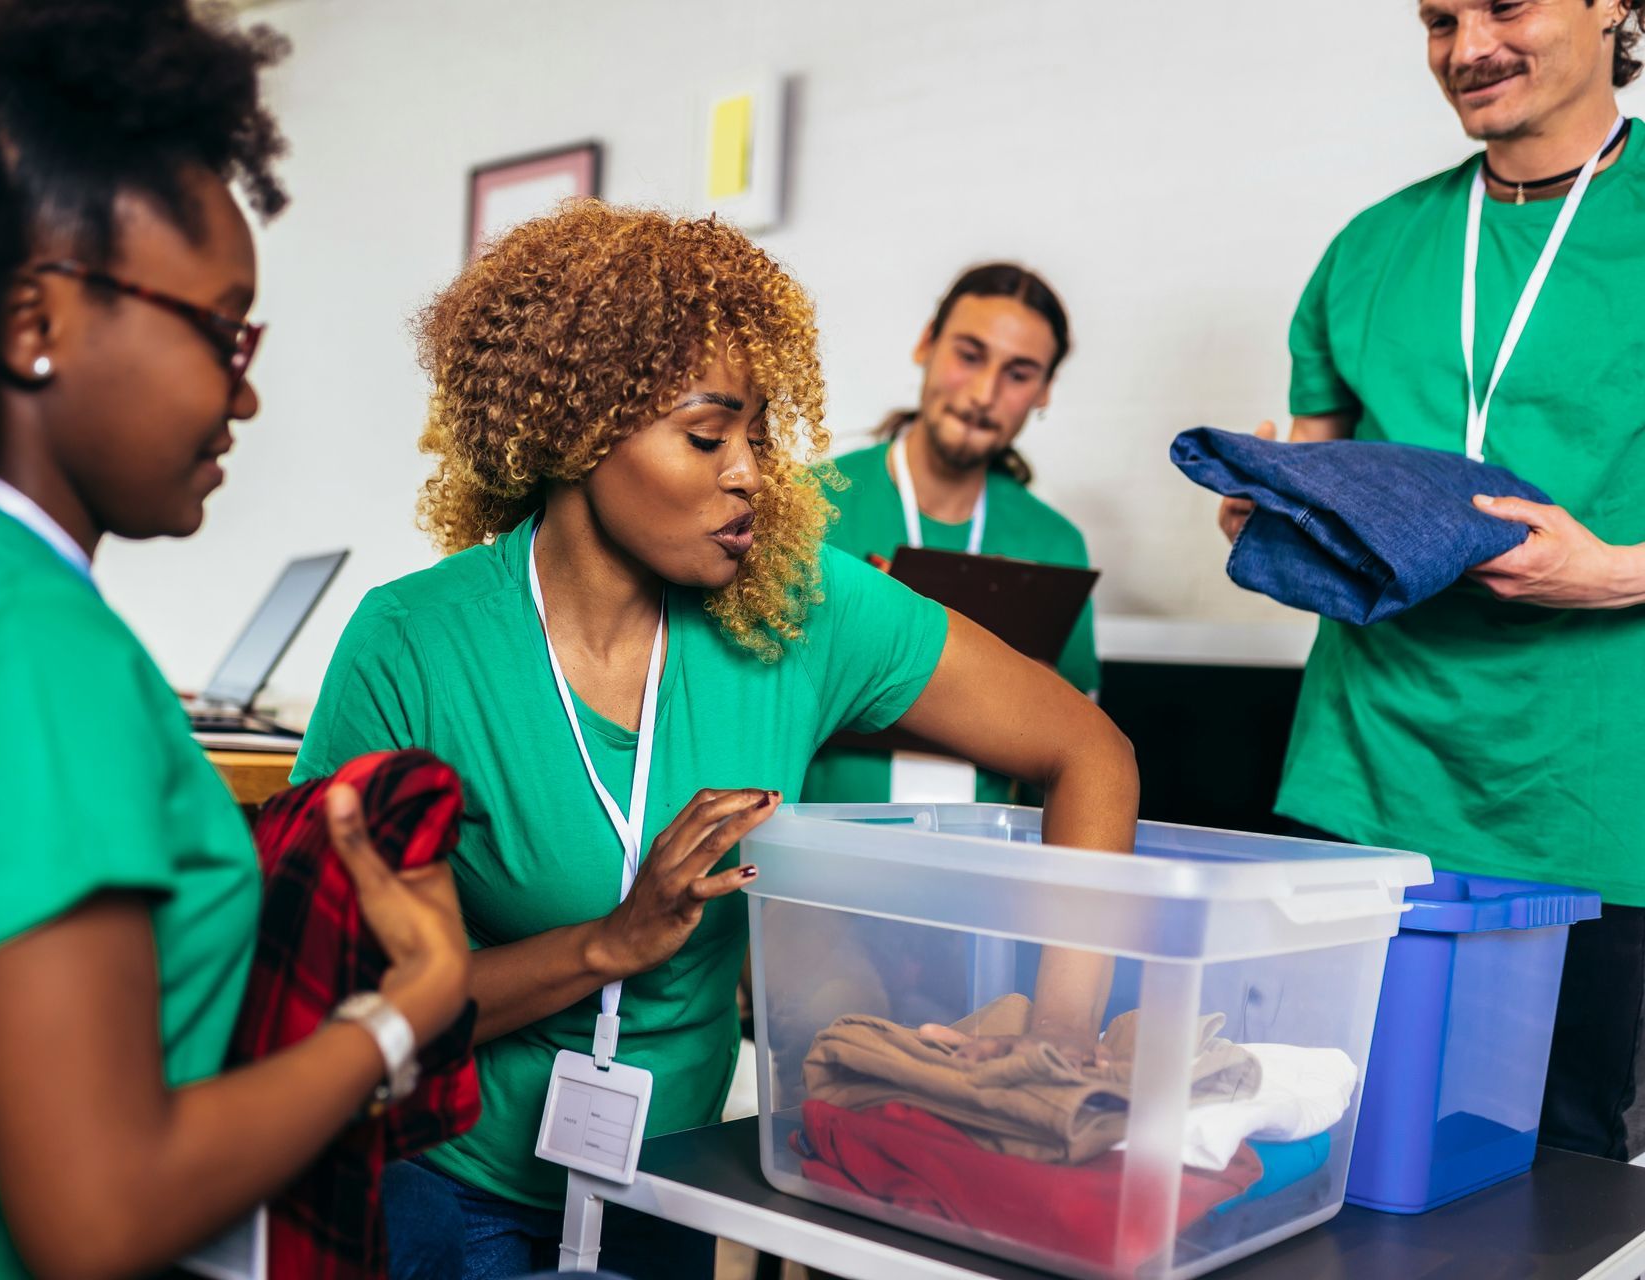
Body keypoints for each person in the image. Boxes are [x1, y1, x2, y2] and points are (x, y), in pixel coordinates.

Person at [0, 4, 470, 1277]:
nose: (243, 391)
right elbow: (99, 1209)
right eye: (221, 330)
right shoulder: (31, 647)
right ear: (34, 319)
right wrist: (404, 1015)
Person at [294, 201, 1140, 1280]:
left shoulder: (798, 605)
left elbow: (1090, 752)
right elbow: (350, 1003)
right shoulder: (415, 642)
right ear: (577, 428)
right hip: (451, 1189)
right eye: (707, 435)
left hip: (675, 1177)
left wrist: (1051, 1048)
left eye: (757, 432)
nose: (751, 473)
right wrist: (609, 940)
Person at [1219, 0, 1645, 1161]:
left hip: (1588, 799)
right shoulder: (1371, 247)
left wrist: (1613, 571)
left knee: (1551, 1172)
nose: (1467, 50)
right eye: (1439, 18)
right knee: (1310, 1144)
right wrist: (1279, 511)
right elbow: (1318, 464)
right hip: (1366, 775)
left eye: (1505, 5)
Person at [803, 263, 1099, 806]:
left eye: (1019, 373)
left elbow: (1079, 752)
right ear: (926, 344)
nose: (985, 393)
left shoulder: (1055, 545)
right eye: (969, 355)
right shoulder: (810, 502)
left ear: (1045, 391)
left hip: (987, 867)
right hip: (822, 860)